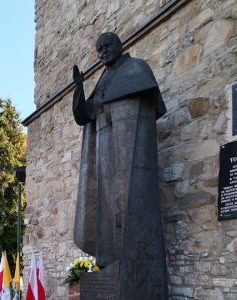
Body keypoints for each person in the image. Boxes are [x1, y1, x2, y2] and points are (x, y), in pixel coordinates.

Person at [72, 32, 167, 298]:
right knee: (105, 210)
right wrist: (79, 89)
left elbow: (150, 107)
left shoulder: (136, 68)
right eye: (98, 49)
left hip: (127, 149)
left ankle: (130, 273)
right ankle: (108, 263)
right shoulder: (103, 79)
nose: (102, 52)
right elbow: (87, 115)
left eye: (107, 46)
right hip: (103, 151)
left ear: (119, 45)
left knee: (126, 208)